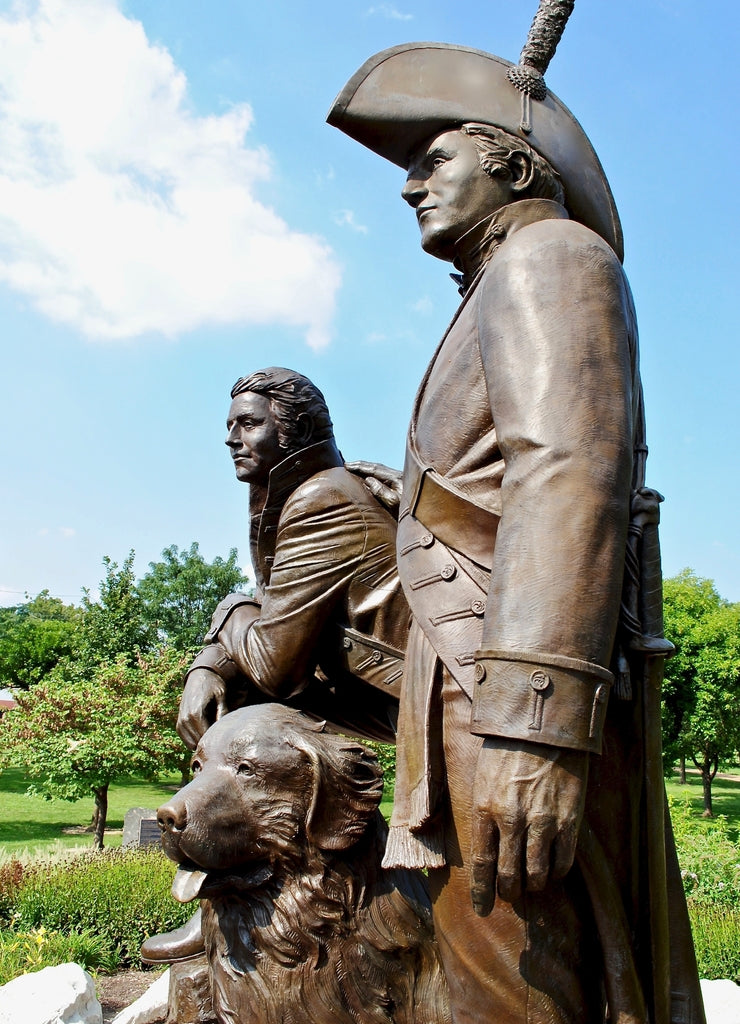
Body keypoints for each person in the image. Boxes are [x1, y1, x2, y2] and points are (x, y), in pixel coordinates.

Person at [329, 38, 705, 1024]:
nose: (408, 184)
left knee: (517, 981)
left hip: (502, 694)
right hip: (472, 677)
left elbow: (567, 471)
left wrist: (533, 732)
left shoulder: (548, 255)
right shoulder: (498, 280)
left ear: (514, 160)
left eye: (433, 156)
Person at [142, 366, 408, 964]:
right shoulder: (302, 493)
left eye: (249, 423)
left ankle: (230, 899)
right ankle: (218, 900)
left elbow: (273, 664)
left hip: (420, 694)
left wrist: (226, 613)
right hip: (379, 685)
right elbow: (276, 621)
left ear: (296, 429)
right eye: (229, 426)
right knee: (231, 692)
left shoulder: (322, 498)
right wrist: (211, 659)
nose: (232, 438)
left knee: (244, 703)